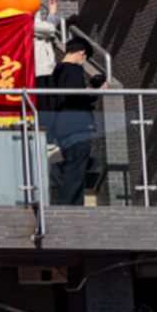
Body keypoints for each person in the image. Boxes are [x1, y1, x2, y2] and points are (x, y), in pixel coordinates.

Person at [40, 44, 99, 206]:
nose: (83, 61)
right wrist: (93, 93)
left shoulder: (54, 73)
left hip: (61, 127)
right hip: (76, 124)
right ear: (82, 53)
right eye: (85, 58)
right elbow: (75, 97)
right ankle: (68, 207)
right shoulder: (74, 70)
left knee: (74, 167)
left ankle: (74, 207)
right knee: (76, 169)